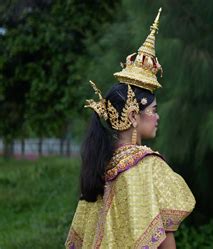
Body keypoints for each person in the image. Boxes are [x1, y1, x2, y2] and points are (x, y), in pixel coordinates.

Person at [65, 8, 195, 249]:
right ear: (134, 115)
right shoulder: (148, 166)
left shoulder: (100, 164)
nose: (157, 117)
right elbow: (165, 239)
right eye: (154, 110)